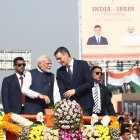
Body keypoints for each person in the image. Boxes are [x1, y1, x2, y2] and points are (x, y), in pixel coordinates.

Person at [54, 47, 94, 116]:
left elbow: (90, 83)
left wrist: (75, 90)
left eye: (59, 58)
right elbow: (62, 90)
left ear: (66, 54)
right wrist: (64, 106)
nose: (58, 61)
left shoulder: (82, 64)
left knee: (86, 126)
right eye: (57, 59)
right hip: (69, 108)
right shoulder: (59, 71)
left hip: (85, 105)